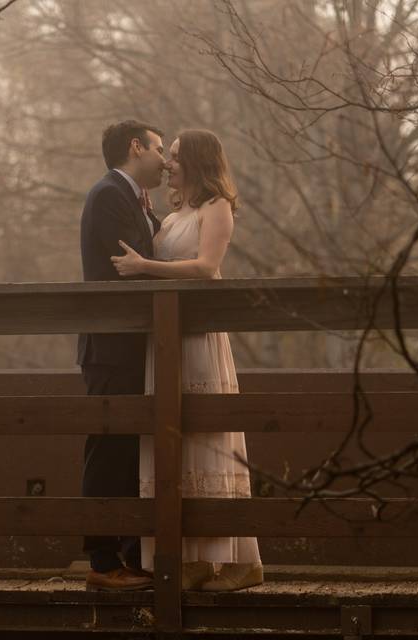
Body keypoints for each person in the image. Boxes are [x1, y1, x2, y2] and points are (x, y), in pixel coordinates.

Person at [112, 129, 263, 592]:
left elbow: (204, 267)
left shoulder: (217, 208)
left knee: (208, 437)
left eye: (175, 157)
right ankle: (194, 559)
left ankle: (241, 563)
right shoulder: (175, 214)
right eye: (168, 155)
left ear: (196, 161)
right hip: (168, 339)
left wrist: (145, 268)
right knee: (176, 443)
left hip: (198, 338)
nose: (168, 164)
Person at [77, 120, 167, 592]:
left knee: (132, 450)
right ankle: (103, 560)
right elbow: (126, 264)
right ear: (136, 147)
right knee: (109, 448)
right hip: (112, 346)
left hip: (133, 344)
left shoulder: (132, 199)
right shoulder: (109, 194)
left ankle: (130, 555)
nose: (165, 160)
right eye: (158, 148)